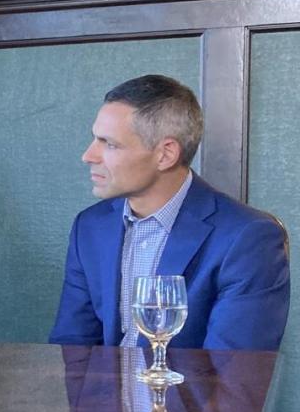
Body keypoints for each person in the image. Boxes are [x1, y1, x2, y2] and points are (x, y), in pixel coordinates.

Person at [49, 74, 290, 352]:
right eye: (95, 139)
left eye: (110, 144)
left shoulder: (248, 238)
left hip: (188, 396)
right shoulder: (90, 227)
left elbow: (233, 375)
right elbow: (72, 350)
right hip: (103, 395)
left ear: (165, 154)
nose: (89, 155)